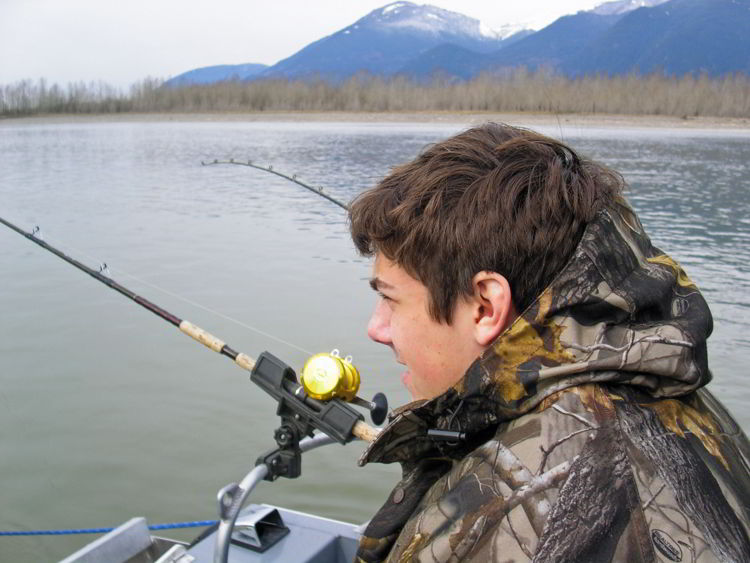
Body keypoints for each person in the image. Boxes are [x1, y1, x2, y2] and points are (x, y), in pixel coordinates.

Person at [348, 123, 750, 562]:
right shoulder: (666, 385)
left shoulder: (508, 509)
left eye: (389, 299)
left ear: (485, 306)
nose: (377, 328)